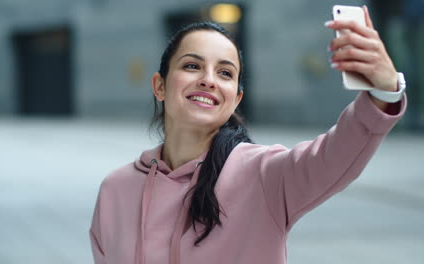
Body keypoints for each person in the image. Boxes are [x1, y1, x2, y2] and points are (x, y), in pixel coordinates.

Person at [89, 5, 406, 264]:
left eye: (225, 72)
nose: (209, 80)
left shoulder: (266, 175)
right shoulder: (115, 189)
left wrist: (384, 92)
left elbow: (337, 154)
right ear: (159, 85)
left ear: (235, 99)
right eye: (191, 66)